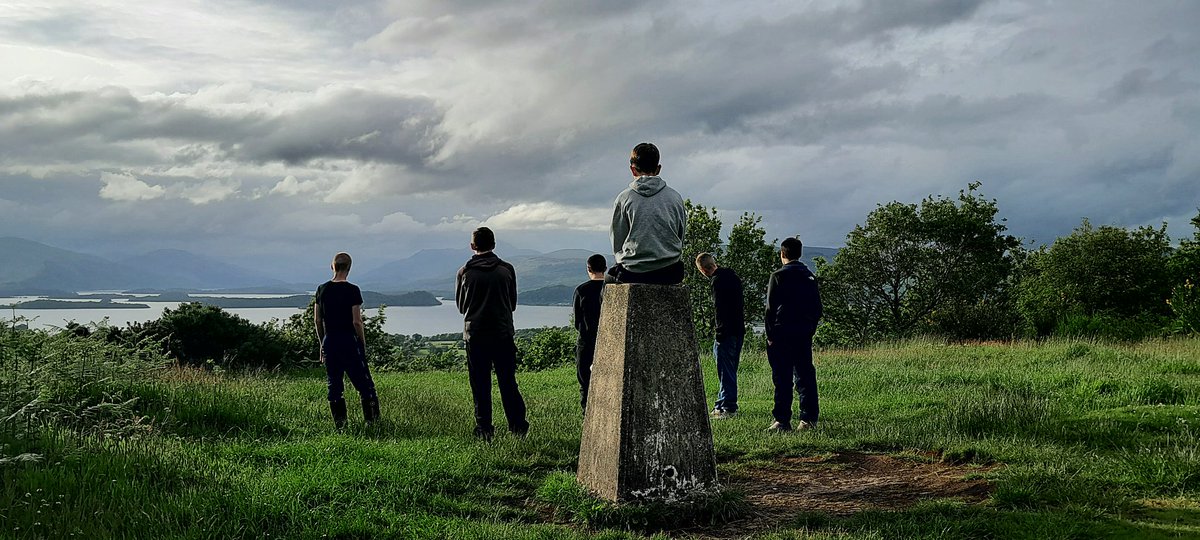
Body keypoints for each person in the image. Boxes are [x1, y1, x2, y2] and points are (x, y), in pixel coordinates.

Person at [456, 227, 529, 441]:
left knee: (480, 384)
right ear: (494, 244)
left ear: (472, 246)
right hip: (502, 333)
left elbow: (462, 307)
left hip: (476, 335)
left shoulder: (465, 272)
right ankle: (517, 426)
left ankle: (484, 429)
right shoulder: (507, 269)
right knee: (508, 381)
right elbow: (512, 303)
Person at [313, 252, 380, 429]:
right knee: (366, 385)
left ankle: (341, 426)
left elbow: (318, 320)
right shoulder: (352, 290)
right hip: (349, 341)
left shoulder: (321, 289)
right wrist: (362, 343)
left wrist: (322, 344)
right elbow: (356, 321)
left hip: (330, 341)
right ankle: (372, 424)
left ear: (332, 267)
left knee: (334, 386)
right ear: (349, 269)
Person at [607, 142, 688, 285]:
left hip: (633, 272)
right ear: (658, 169)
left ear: (633, 170)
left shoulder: (624, 198)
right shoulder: (675, 198)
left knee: (608, 281)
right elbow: (680, 235)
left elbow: (617, 241)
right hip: (670, 271)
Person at [764, 237, 823, 432]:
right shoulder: (809, 277)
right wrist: (810, 328)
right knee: (805, 375)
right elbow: (817, 308)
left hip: (781, 333)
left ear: (782, 254)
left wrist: (770, 335)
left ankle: (782, 420)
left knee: (782, 378)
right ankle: (808, 418)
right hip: (803, 333)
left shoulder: (778, 276)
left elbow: (770, 309)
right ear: (800, 253)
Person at [695, 253, 744, 419]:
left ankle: (728, 407)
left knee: (725, 371)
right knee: (730, 369)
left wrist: (720, 333)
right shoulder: (733, 277)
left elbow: (720, 310)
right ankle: (722, 403)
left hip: (726, 332)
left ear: (702, 269)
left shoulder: (717, 282)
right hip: (738, 330)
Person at [572, 254, 607, 412]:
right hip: (607, 342)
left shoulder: (581, 290)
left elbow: (577, 321)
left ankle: (587, 414)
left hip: (586, 341)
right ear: (605, 269)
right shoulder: (611, 289)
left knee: (585, 382)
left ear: (588, 268)